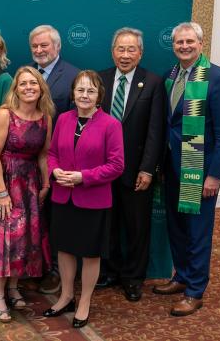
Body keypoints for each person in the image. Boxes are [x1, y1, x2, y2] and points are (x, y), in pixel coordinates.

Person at [153, 22, 220, 316]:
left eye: (189, 41)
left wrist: (215, 174)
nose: (184, 46)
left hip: (199, 170)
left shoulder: (217, 78)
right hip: (173, 167)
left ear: (201, 44)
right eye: (179, 42)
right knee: (176, 228)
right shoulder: (170, 76)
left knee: (197, 232)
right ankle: (182, 277)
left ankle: (195, 289)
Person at [44, 70, 124, 328]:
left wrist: (82, 177)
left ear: (99, 95)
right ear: (73, 93)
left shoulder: (111, 125)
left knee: (90, 253)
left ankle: (85, 301)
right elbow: (53, 152)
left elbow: (116, 165)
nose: (85, 95)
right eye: (80, 90)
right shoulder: (64, 119)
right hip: (63, 197)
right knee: (65, 249)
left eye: (90, 90)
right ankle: (66, 295)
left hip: (92, 199)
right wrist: (54, 171)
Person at [0, 66, 54, 322]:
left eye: (34, 83)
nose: (29, 87)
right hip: (5, 181)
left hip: (30, 182)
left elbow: (43, 154)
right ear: (16, 88)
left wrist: (45, 184)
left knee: (23, 238)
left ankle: (13, 287)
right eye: (23, 84)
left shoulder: (45, 117)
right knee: (3, 237)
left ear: (41, 87)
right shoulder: (4, 114)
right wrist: (1, 192)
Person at [97, 27, 165, 301]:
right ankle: (111, 271)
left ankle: (134, 278)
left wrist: (148, 168)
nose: (125, 55)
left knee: (137, 228)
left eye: (131, 49)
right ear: (113, 51)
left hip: (137, 170)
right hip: (103, 171)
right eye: (120, 49)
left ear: (141, 52)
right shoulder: (99, 79)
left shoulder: (153, 82)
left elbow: (155, 130)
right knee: (107, 225)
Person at [29, 24, 81, 294]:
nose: (39, 50)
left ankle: (57, 272)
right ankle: (36, 267)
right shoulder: (27, 76)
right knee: (34, 217)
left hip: (60, 163)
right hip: (28, 162)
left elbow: (78, 123)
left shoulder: (72, 76)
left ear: (57, 47)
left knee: (58, 220)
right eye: (35, 46)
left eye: (44, 45)